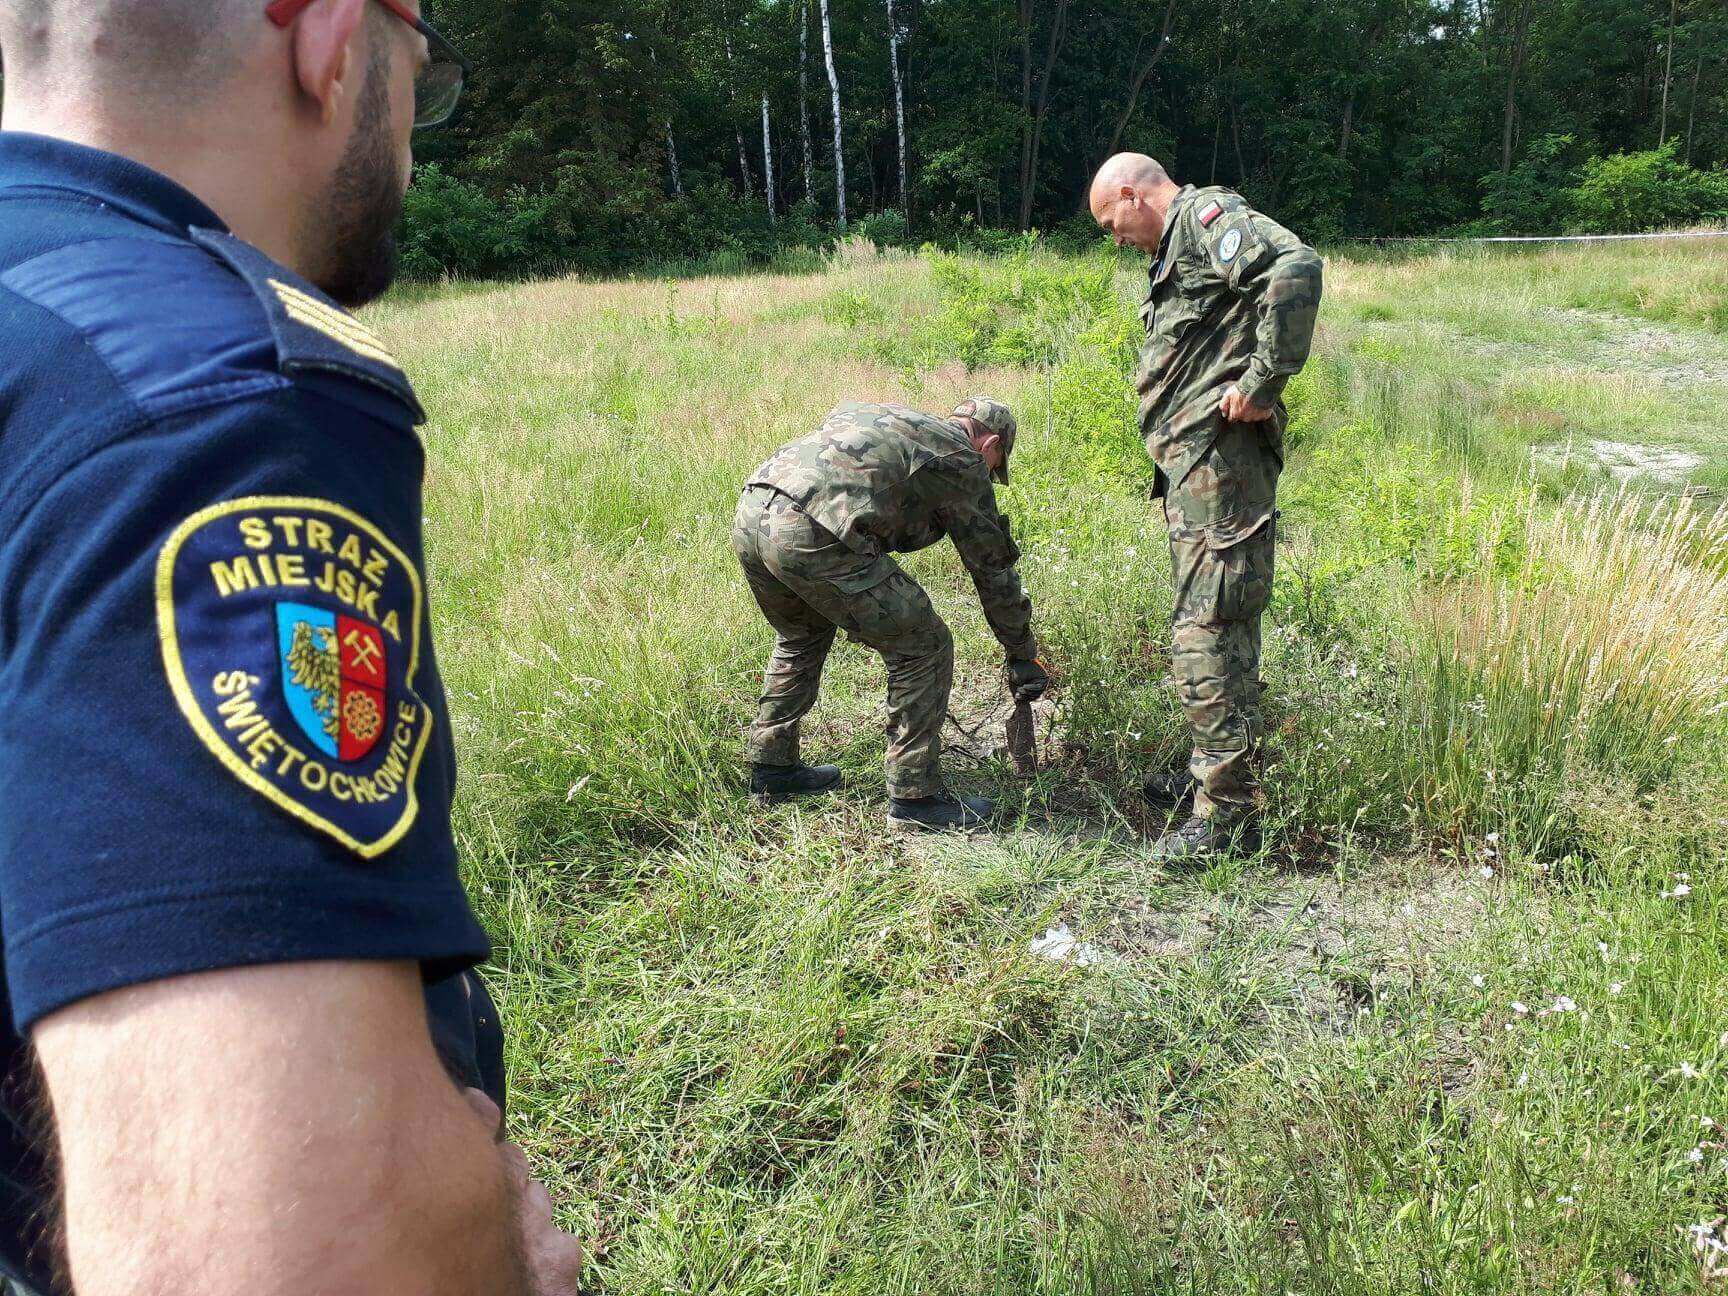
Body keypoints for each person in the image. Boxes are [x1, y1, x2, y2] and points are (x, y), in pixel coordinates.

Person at [0, 2, 582, 1293]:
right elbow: (279, 1254)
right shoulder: (214, 394)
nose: (417, 142)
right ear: (327, 36)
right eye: (419, 69)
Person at [1088, 152, 1323, 865]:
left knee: (1206, 631)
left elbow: (1296, 269)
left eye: (1111, 221)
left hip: (1222, 469)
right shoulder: (1181, 242)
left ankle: (1225, 817)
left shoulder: (1203, 219)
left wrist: (1264, 380)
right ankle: (1223, 778)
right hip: (1202, 471)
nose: (1114, 236)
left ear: (1132, 193)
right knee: (1223, 623)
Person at [733, 399, 1048, 832]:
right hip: (812, 530)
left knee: (802, 634)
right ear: (990, 443)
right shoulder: (961, 459)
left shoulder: (885, 416)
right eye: (996, 465)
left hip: (753, 510)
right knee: (923, 646)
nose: (991, 475)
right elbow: (993, 569)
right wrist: (1021, 652)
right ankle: (915, 797)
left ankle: (772, 769)